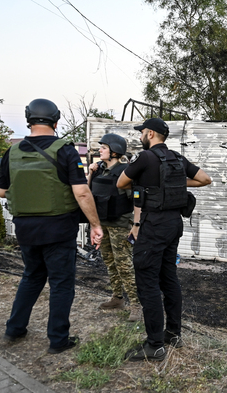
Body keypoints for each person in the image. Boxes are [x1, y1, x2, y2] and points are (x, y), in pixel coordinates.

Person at [0, 98, 103, 354]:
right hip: (58, 230)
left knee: (31, 277)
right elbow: (82, 193)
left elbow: (2, 192)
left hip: (26, 231)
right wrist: (95, 225)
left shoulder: (11, 153)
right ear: (56, 122)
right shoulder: (65, 151)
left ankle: (14, 329)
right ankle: (58, 340)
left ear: (28, 121)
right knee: (61, 284)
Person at [116, 118, 212, 361]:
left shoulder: (144, 158)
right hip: (174, 224)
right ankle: (173, 334)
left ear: (150, 133)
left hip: (153, 226)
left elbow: (121, 183)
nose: (140, 137)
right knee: (168, 277)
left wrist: (154, 186)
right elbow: (205, 179)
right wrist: (174, 184)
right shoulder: (178, 159)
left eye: (141, 133)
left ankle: (155, 345)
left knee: (147, 282)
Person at [88, 133, 142, 322]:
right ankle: (117, 298)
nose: (99, 150)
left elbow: (137, 200)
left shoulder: (125, 171)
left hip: (121, 225)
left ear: (114, 151)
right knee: (110, 263)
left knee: (124, 265)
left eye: (103, 147)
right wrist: (90, 172)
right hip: (102, 224)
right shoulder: (98, 170)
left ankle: (136, 304)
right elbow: (88, 194)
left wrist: (136, 224)